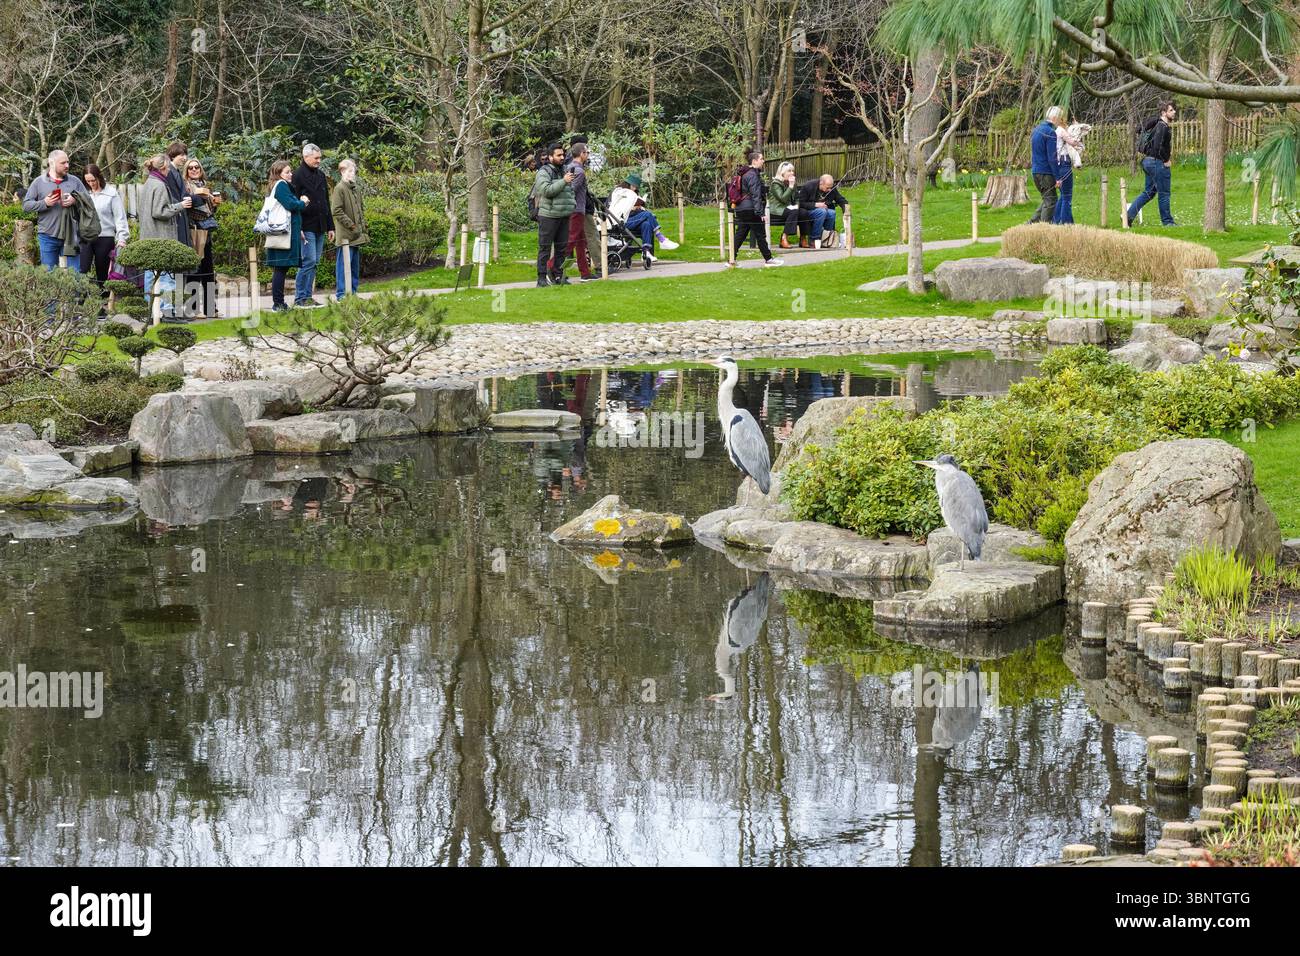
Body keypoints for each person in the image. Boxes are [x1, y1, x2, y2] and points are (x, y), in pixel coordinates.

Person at [138, 154, 193, 320]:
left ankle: (152, 311)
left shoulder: (148, 183)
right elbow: (159, 212)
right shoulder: (160, 185)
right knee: (167, 276)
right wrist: (180, 206)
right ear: (163, 168)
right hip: (161, 236)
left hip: (147, 236)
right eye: (168, 167)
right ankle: (169, 312)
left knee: (150, 275)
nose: (169, 170)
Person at [21, 150, 86, 271]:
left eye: (68, 162)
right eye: (63, 163)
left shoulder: (75, 181)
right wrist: (44, 203)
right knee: (49, 274)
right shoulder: (38, 182)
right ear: (52, 163)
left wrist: (75, 200)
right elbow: (26, 205)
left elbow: (89, 202)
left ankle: (75, 291)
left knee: (76, 275)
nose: (67, 165)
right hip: (47, 236)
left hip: (71, 236)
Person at [291, 143, 334, 307]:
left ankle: (307, 296)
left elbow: (325, 201)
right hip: (305, 225)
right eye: (316, 158)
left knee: (315, 262)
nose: (319, 161)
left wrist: (330, 226)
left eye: (320, 158)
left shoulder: (321, 175)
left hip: (320, 224)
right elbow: (294, 204)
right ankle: (300, 298)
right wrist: (298, 227)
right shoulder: (297, 176)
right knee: (308, 261)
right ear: (306, 156)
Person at [78, 164, 129, 302]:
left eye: (93, 180)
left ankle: (103, 302)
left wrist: (122, 237)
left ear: (99, 177)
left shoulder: (111, 193)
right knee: (83, 268)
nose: (91, 183)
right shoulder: (83, 194)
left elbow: (120, 217)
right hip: (86, 237)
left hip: (105, 237)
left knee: (103, 271)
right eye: (87, 181)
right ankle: (80, 302)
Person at [265, 159, 310, 312]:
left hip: (285, 232)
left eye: (290, 171)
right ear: (279, 174)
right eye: (287, 172)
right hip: (283, 234)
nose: (291, 174)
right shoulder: (281, 186)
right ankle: (278, 304)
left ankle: (279, 303)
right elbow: (291, 205)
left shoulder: (279, 186)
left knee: (281, 268)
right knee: (280, 269)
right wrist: (303, 202)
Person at [1126, 101, 1179, 227]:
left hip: (1147, 162)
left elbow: (1140, 130)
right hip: (1157, 163)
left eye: (1173, 110)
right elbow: (1157, 147)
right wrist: (1166, 160)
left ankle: (1128, 215)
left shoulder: (1157, 124)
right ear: (1164, 113)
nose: (1174, 112)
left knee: (1149, 192)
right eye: (1171, 110)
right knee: (1164, 193)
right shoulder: (1162, 126)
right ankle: (1167, 222)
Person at [183, 157, 224, 318]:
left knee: (208, 271)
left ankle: (210, 308)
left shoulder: (204, 187)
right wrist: (198, 197)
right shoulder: (185, 187)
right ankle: (192, 309)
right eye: (190, 168)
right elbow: (189, 208)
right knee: (194, 270)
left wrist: (214, 204)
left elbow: (209, 213)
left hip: (205, 232)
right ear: (186, 171)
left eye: (197, 168)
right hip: (192, 231)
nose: (194, 170)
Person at [608, 172, 678, 264]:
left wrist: (638, 207)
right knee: (648, 215)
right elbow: (620, 210)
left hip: (628, 219)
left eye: (636, 187)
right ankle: (661, 239)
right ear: (629, 184)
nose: (635, 189)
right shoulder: (620, 192)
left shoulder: (630, 194)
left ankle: (646, 252)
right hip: (620, 222)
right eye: (633, 186)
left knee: (646, 224)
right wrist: (632, 208)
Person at [533, 142, 575, 286]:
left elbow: (569, 191)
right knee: (545, 248)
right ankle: (541, 278)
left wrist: (572, 203)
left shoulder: (564, 170)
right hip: (548, 216)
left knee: (561, 249)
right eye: (559, 155)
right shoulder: (543, 172)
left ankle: (558, 276)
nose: (562, 157)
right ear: (550, 157)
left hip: (564, 215)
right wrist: (564, 181)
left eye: (563, 154)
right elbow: (546, 191)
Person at [733, 148, 781, 266]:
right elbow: (756, 195)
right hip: (751, 210)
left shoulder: (744, 173)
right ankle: (769, 260)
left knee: (740, 235)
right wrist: (760, 213)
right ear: (754, 161)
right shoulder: (753, 175)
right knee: (760, 235)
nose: (763, 161)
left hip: (742, 208)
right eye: (761, 159)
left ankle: (731, 260)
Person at [330, 158, 368, 299]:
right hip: (345, 235)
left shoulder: (355, 188)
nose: (353, 174)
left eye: (354, 171)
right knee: (343, 266)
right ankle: (341, 294)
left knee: (353, 266)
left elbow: (360, 209)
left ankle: (352, 292)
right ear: (342, 171)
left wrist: (362, 226)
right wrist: (351, 225)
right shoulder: (339, 188)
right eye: (350, 171)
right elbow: (336, 210)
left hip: (356, 234)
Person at [564, 143, 597, 281]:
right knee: (571, 241)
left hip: (576, 210)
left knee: (580, 242)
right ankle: (551, 266)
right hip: (576, 210)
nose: (588, 155)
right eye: (587, 153)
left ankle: (585, 273)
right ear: (582, 154)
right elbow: (571, 190)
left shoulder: (568, 167)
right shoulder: (579, 171)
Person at [1029, 106, 1066, 224]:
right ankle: (1043, 229)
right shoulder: (1050, 132)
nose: (1060, 122)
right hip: (1046, 172)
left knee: (1047, 199)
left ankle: (1030, 224)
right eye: (1060, 119)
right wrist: (1058, 177)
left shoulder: (1036, 130)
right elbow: (1052, 157)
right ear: (1054, 117)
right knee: (1051, 201)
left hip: (1035, 171)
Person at [796, 173, 847, 248]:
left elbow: (840, 199)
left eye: (831, 187)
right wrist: (815, 205)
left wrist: (846, 210)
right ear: (821, 183)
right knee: (821, 211)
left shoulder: (831, 189)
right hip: (807, 212)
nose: (829, 189)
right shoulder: (809, 186)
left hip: (822, 211)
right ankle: (814, 239)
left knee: (831, 213)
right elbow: (800, 203)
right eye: (827, 188)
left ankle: (827, 239)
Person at [768, 161, 807, 249]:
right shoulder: (776, 184)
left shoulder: (792, 183)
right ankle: (784, 238)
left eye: (792, 171)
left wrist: (797, 205)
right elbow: (782, 199)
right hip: (776, 210)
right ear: (782, 173)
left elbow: (797, 198)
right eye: (789, 171)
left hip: (789, 209)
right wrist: (791, 186)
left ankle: (803, 238)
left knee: (804, 212)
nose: (792, 173)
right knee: (793, 212)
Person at [1052, 114, 1083, 225]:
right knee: (1067, 196)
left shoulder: (1056, 131)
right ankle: (1066, 223)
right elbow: (1073, 142)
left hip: (1059, 164)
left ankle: (1056, 221)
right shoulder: (1061, 131)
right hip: (1064, 164)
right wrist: (1079, 133)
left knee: (1063, 195)